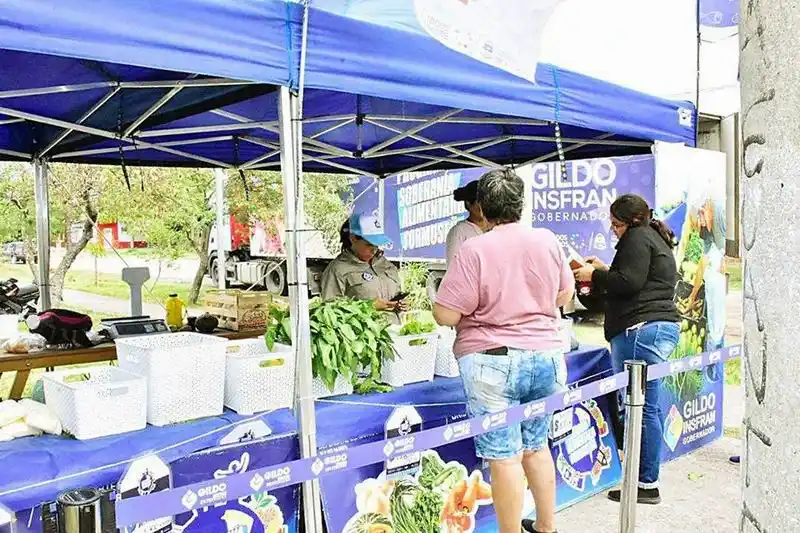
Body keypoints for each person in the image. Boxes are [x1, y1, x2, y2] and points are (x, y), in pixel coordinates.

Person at [433, 169, 573, 533]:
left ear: (483, 207)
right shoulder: (547, 240)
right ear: (520, 204)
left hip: (492, 360)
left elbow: (446, 313)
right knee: (537, 446)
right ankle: (546, 527)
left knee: (504, 457)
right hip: (546, 356)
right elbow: (564, 295)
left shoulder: (474, 248)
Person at [573, 194, 680, 505]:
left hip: (638, 331)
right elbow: (634, 279)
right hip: (658, 328)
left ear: (629, 222)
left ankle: (643, 483)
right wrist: (606, 270)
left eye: (615, 225)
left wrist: (595, 274)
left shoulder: (636, 237)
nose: (613, 230)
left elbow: (628, 282)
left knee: (638, 409)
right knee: (650, 407)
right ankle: (648, 479)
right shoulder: (652, 238)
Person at [320, 212, 407, 321]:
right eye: (369, 244)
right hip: (363, 335)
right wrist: (368, 306)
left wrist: (400, 304)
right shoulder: (338, 270)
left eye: (377, 244)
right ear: (353, 238)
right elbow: (330, 312)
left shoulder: (385, 264)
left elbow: (396, 293)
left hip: (395, 332)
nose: (374, 249)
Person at [445, 180, 484, 266]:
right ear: (469, 203)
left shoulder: (495, 228)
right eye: (479, 203)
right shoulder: (459, 232)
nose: (484, 207)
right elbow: (453, 268)